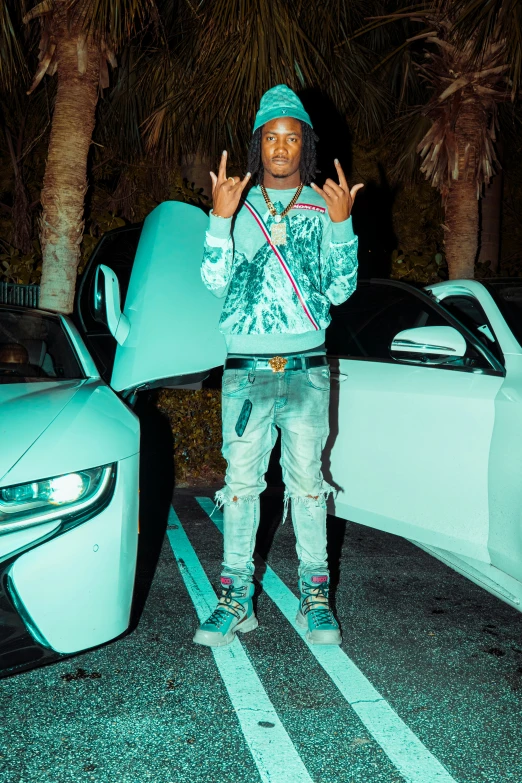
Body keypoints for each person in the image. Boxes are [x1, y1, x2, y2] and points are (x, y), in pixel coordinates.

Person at [195, 84, 362, 648]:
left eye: (292, 138)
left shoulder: (321, 205)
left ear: (305, 144)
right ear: (258, 144)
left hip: (308, 368)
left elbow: (340, 291)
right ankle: (235, 598)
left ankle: (316, 595)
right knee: (241, 486)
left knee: (308, 486)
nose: (282, 148)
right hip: (245, 370)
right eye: (272, 138)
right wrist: (218, 220)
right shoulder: (235, 204)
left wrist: (342, 225)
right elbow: (214, 282)